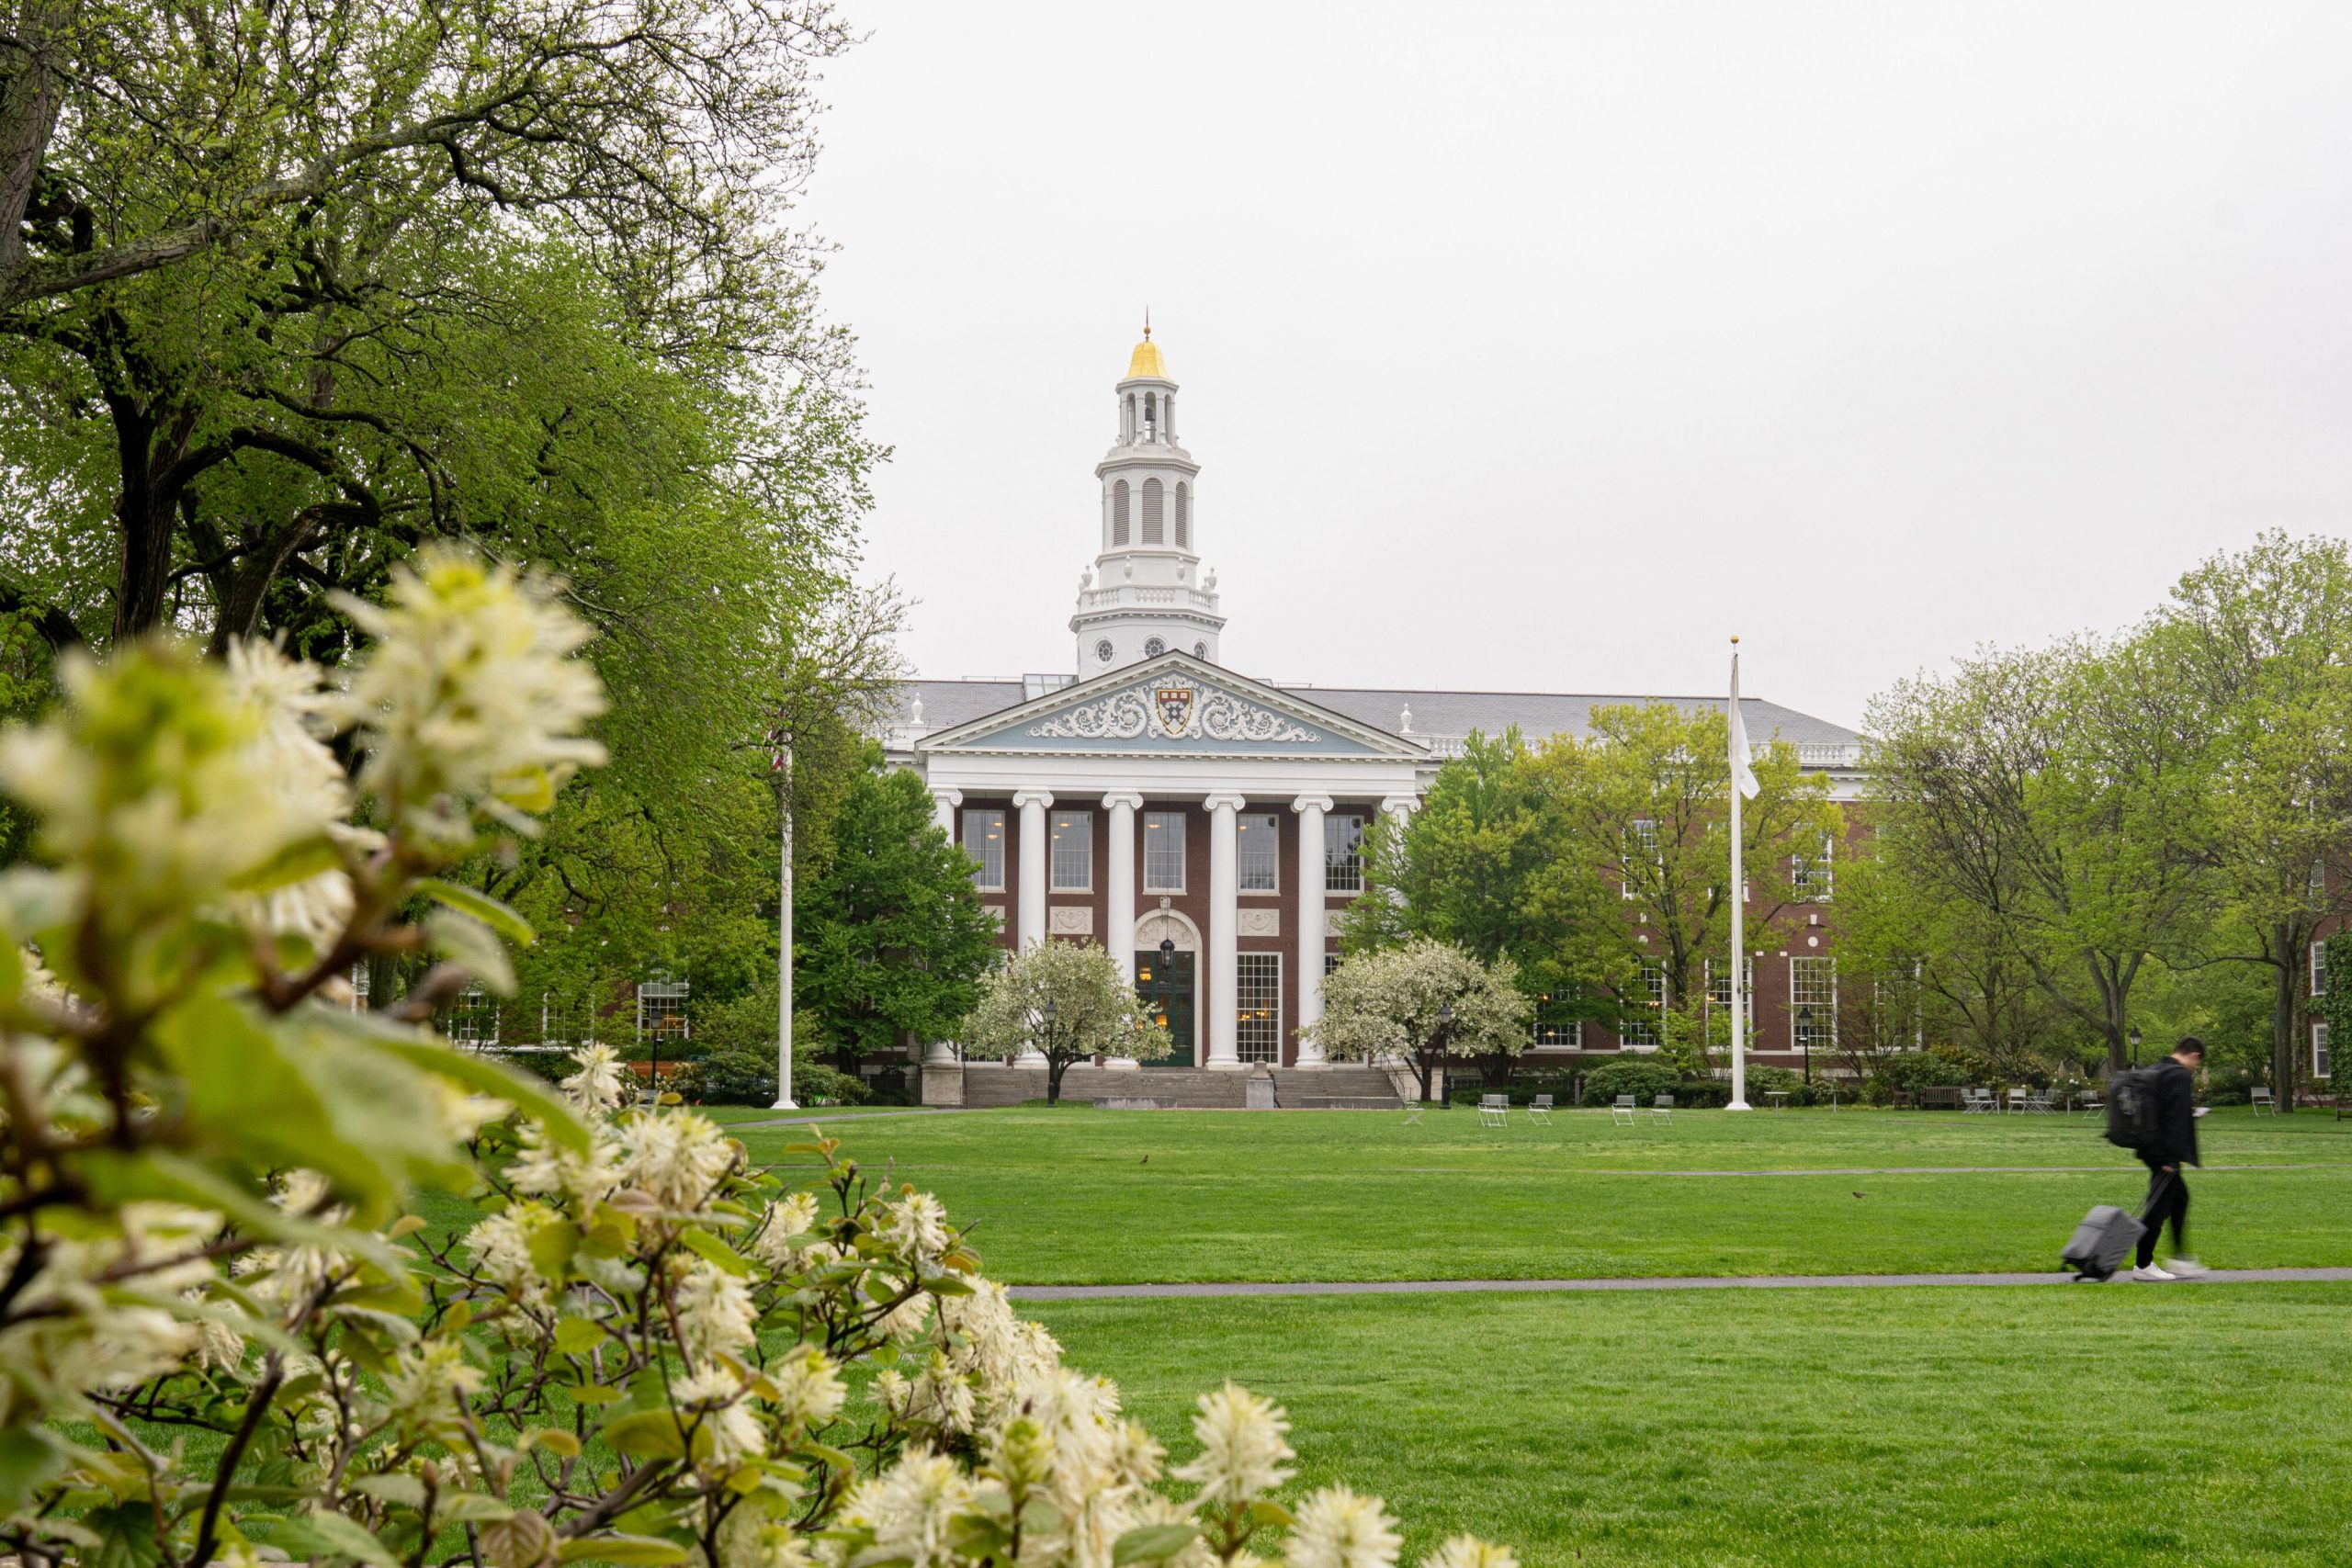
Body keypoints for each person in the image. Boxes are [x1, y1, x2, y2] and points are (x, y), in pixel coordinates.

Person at [2130, 1036, 2208, 1281]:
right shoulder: (2179, 1076)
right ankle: (2143, 1264)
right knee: (2157, 1208)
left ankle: (2179, 1258)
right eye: (2197, 1063)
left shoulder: (2157, 1070)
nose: (2194, 1068)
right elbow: (2173, 1121)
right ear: (2194, 1055)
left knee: (2180, 1200)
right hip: (2165, 1154)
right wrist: (2169, 1159)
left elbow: (2161, 1112)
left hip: (2150, 1148)